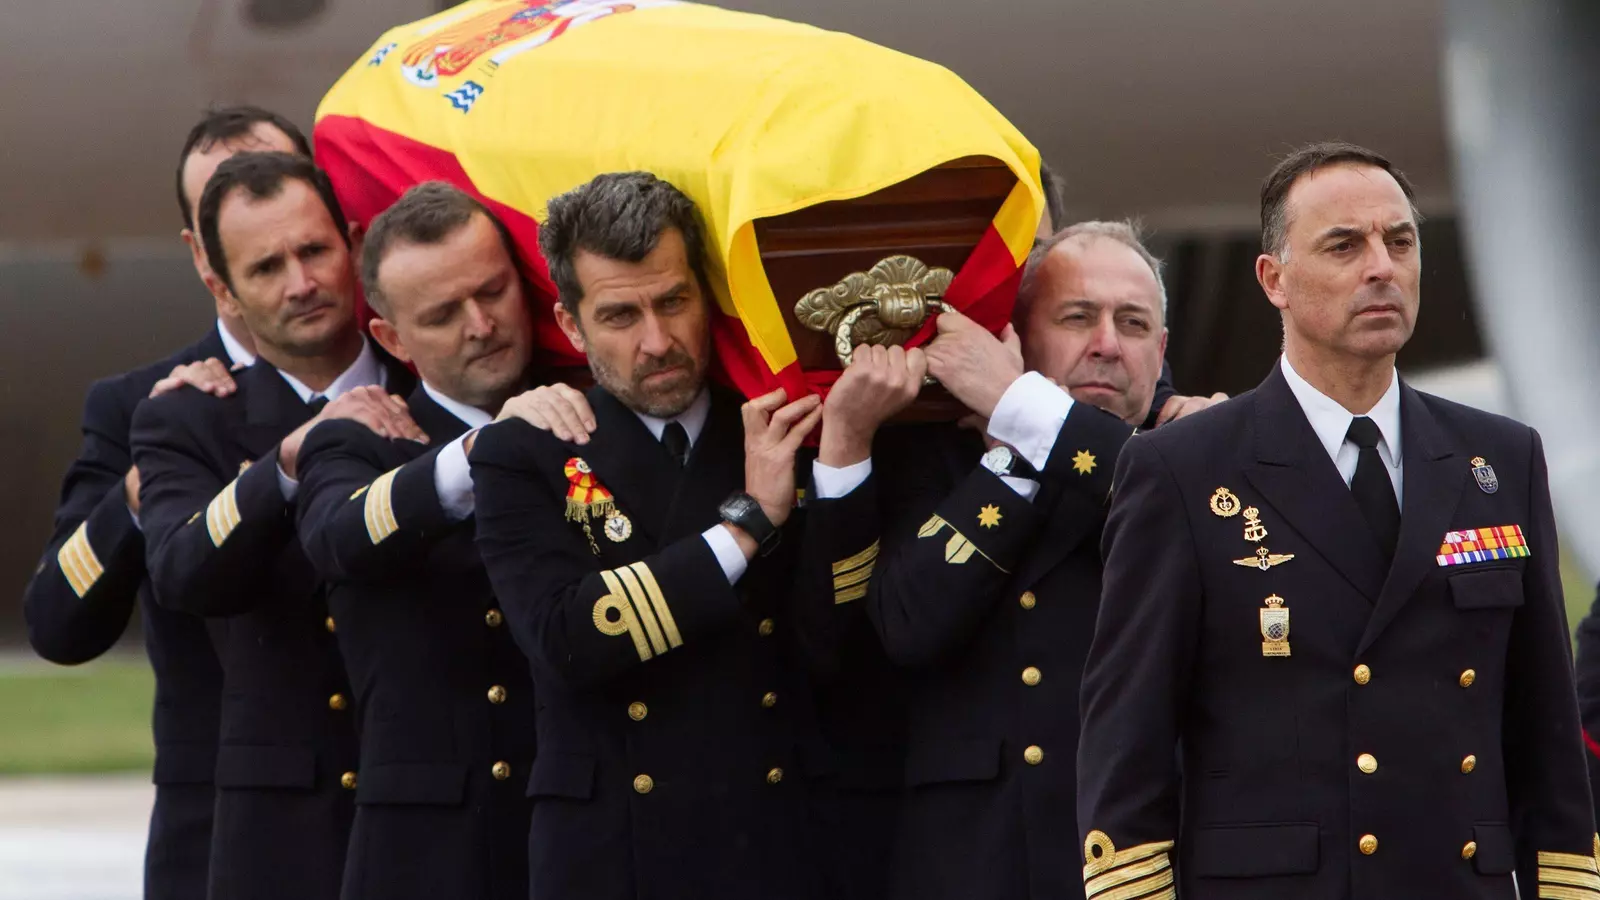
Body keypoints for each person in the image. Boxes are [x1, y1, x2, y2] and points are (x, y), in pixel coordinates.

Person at [1076, 142, 1596, 899]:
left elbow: (1544, 725)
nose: (1381, 267)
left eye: (1400, 242)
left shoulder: (1500, 459)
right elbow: (1130, 742)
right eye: (1345, 245)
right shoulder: (1184, 470)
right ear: (1273, 280)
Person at [469, 171, 826, 899]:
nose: (657, 342)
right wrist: (746, 526)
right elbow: (568, 638)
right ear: (571, 325)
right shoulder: (525, 450)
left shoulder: (778, 423)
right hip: (613, 855)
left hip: (769, 837)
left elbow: (834, 638)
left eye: (673, 302)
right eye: (620, 315)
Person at [799, 220, 1181, 900]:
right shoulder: (936, 454)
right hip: (974, 863)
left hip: (1134, 863)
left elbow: (1160, 502)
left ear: (1162, 350)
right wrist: (1011, 468)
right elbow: (907, 626)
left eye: (1133, 323)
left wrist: (1022, 413)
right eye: (1077, 318)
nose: (1106, 344)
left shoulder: (1196, 451)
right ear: (1016, 338)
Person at [19, 106, 307, 900]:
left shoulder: (397, 375)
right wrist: (142, 485)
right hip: (220, 829)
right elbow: (56, 621)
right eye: (228, 197)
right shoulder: (137, 406)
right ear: (200, 253)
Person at [131, 151, 422, 900]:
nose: (302, 283)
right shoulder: (187, 420)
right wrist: (287, 461)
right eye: (266, 268)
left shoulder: (431, 384)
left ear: (354, 244)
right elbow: (181, 571)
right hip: (284, 836)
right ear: (222, 291)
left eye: (315, 251)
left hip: (437, 813)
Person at [295, 182, 538, 900]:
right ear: (392, 340)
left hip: (570, 834)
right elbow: (339, 537)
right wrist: (480, 453)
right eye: (442, 314)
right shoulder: (358, 440)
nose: (481, 325)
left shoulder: (585, 415)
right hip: (426, 854)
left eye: (493, 292)